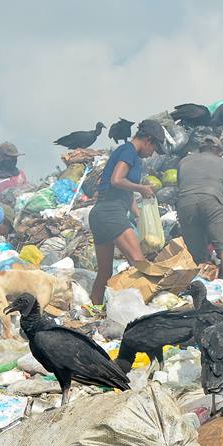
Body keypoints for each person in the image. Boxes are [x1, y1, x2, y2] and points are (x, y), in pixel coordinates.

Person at [89, 119, 166, 306]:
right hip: (110, 212)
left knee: (105, 272)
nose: (152, 154)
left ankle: (91, 312)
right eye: (154, 148)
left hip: (100, 215)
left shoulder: (132, 156)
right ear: (148, 140)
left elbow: (125, 191)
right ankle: (152, 304)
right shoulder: (128, 151)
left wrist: (139, 215)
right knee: (138, 261)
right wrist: (141, 188)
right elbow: (117, 179)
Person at [176, 135, 223, 279]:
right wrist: (215, 227)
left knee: (197, 254)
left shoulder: (183, 162)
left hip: (185, 204)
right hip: (211, 201)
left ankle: (202, 286)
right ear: (219, 151)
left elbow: (181, 188)